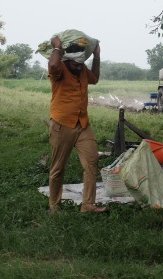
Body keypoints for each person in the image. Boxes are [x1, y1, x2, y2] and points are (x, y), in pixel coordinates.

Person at [46, 36, 107, 214]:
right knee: (58, 167)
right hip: (62, 125)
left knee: (91, 161)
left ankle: (88, 205)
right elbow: (53, 65)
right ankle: (54, 206)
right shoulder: (59, 70)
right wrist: (57, 47)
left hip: (83, 124)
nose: (80, 67)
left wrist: (96, 56)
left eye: (82, 63)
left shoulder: (82, 69)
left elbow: (94, 79)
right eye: (76, 64)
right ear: (67, 60)